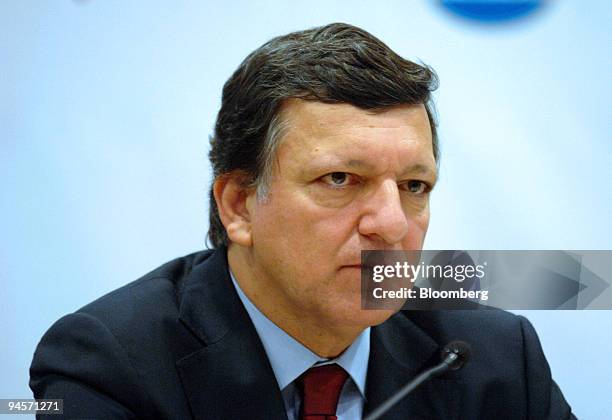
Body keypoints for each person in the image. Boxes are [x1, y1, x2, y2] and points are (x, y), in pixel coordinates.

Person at [30, 23, 575, 419]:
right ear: (239, 205)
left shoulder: (495, 357)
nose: (390, 224)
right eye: (340, 179)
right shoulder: (111, 363)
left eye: (414, 186)